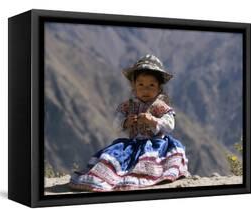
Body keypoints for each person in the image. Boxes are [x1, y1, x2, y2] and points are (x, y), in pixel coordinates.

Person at [69, 54, 189, 192]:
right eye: (141, 84)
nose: (146, 89)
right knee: (113, 156)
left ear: (159, 88)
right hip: (133, 144)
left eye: (151, 85)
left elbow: (170, 124)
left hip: (157, 144)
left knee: (153, 160)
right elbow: (116, 124)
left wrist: (153, 121)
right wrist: (126, 122)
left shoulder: (160, 106)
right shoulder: (127, 106)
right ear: (134, 86)